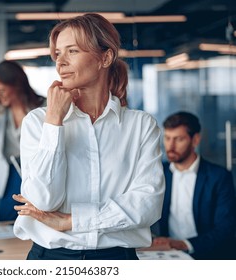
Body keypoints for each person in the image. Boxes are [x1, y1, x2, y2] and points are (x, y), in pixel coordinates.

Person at [12, 13, 165, 260]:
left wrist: (72, 221)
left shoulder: (141, 126)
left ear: (105, 57)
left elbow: (147, 204)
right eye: (57, 54)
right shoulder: (38, 122)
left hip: (117, 260)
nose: (60, 62)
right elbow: (43, 201)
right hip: (50, 260)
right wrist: (54, 122)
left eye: (72, 51)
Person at [151, 111, 236, 259]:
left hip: (209, 254)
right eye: (167, 138)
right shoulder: (159, 173)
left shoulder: (219, 177)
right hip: (168, 254)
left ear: (195, 140)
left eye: (179, 139)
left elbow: (225, 229)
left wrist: (183, 244)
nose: (170, 146)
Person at [0, 60, 45, 222]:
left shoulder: (44, 107)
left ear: (17, 85)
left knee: (37, 224)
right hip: (10, 177)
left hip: (36, 175)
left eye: (2, 90)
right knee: (6, 225)